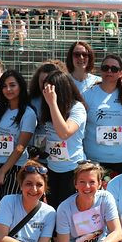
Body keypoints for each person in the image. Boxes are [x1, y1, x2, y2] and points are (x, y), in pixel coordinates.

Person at [81, 54, 122, 176]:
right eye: (106, 68)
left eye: (114, 69)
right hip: (94, 158)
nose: (109, 71)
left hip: (121, 158)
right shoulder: (88, 94)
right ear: (101, 70)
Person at [0, 70, 37, 206]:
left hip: (15, 168)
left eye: (12, 85)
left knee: (11, 210)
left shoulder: (28, 113)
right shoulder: (0, 111)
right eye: (4, 86)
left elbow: (21, 147)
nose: (8, 89)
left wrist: (3, 172)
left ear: (20, 86)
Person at [39, 70, 87, 207]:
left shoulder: (77, 108)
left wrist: (52, 103)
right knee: (54, 209)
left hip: (72, 169)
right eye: (45, 89)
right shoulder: (47, 107)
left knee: (69, 212)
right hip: (53, 168)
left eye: (51, 89)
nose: (47, 93)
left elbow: (64, 133)